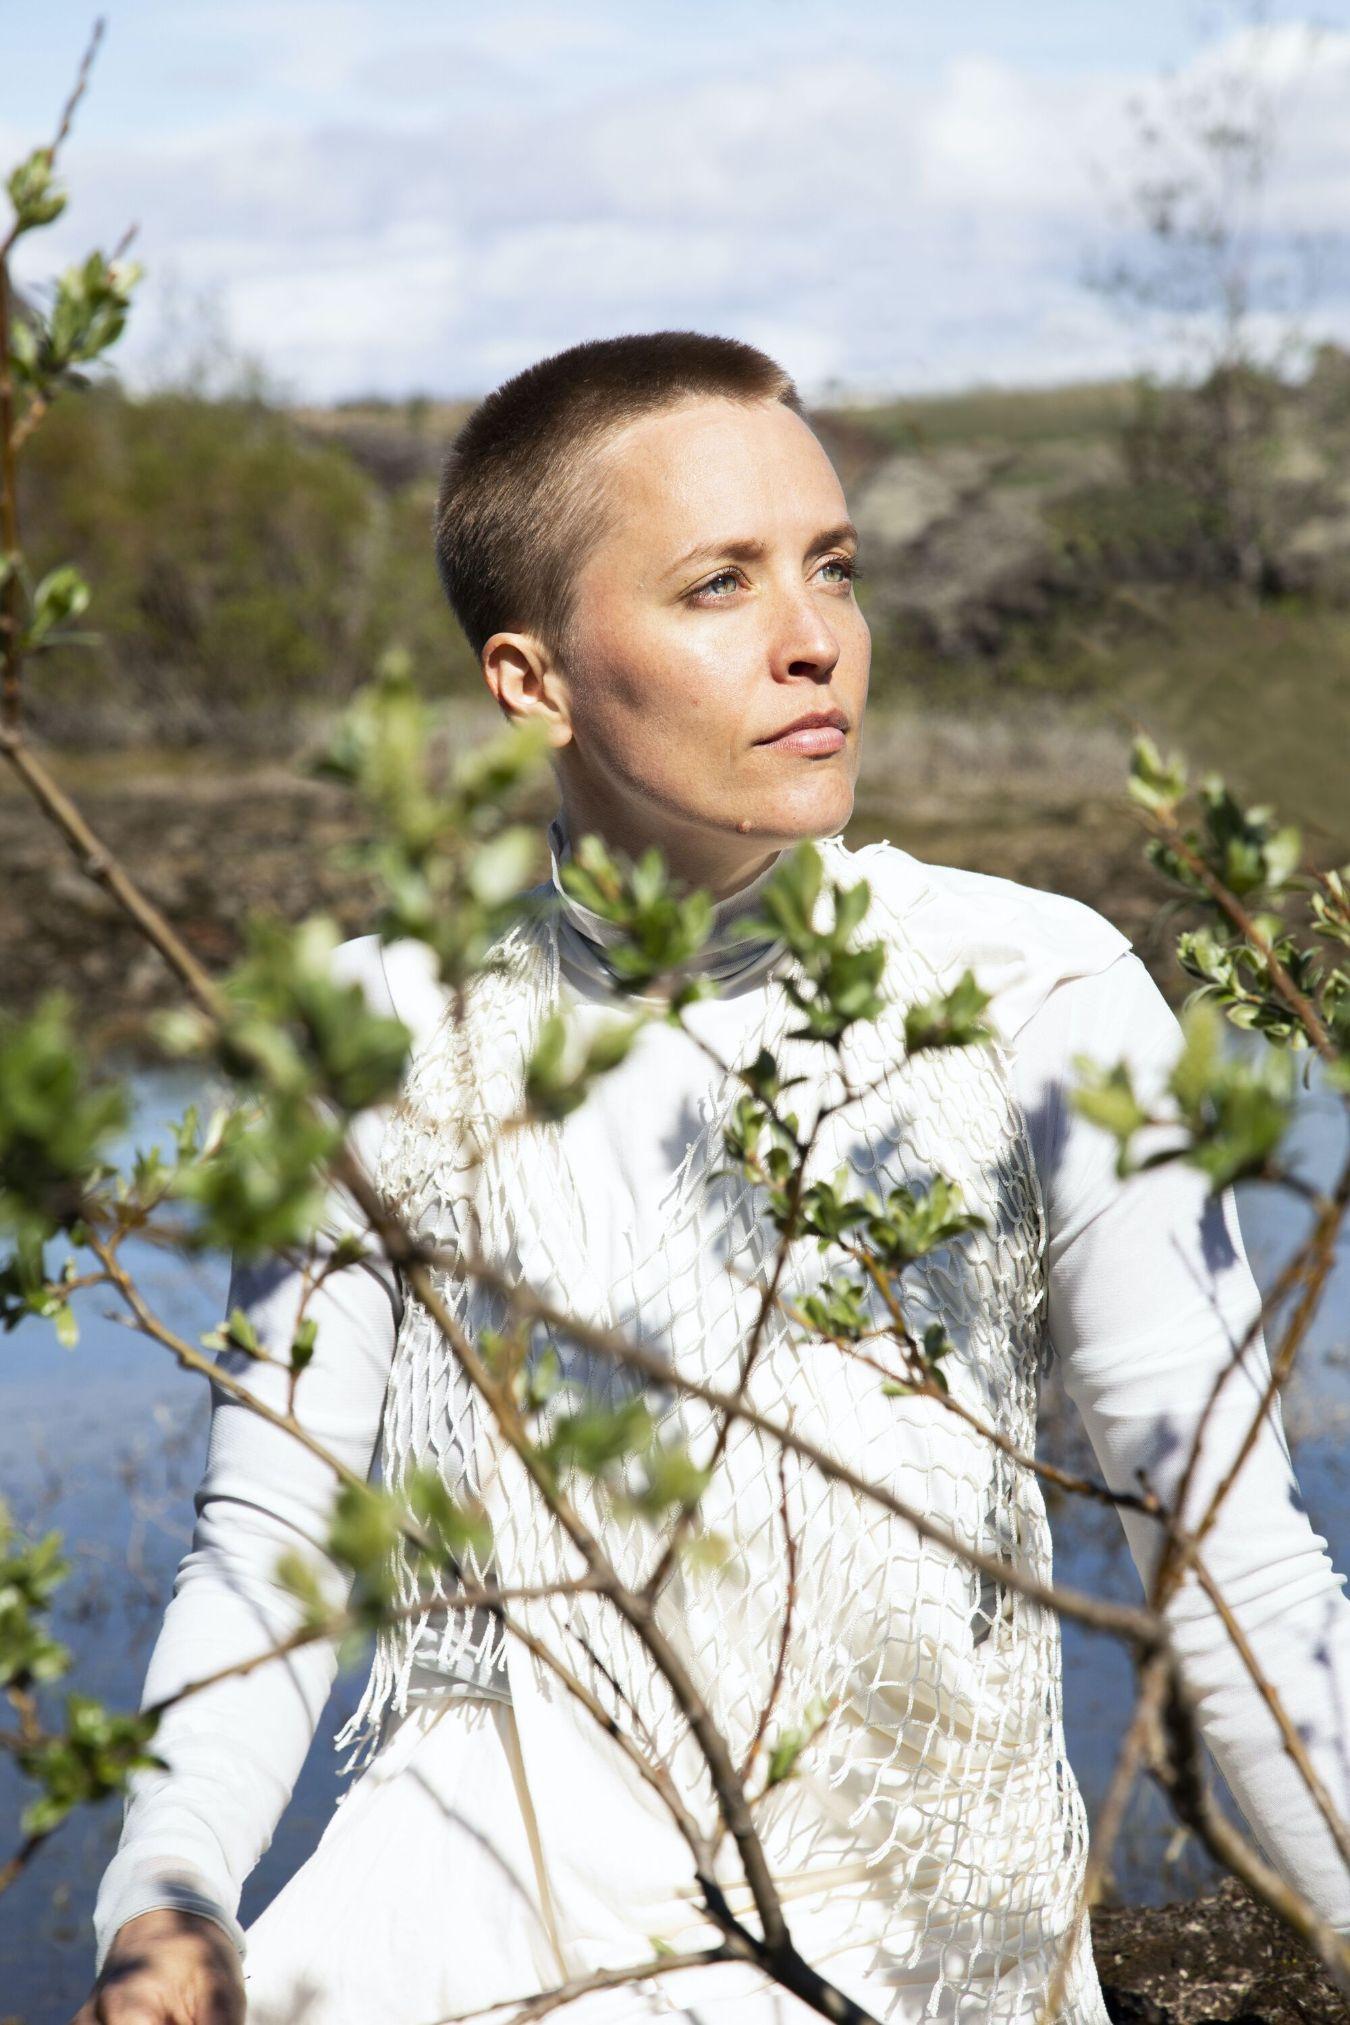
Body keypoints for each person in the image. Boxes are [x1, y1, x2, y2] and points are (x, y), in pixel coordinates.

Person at [77, 334, 1350, 2025]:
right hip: (441, 1947)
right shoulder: (377, 1029)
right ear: (530, 679)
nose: (813, 638)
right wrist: (165, 1904)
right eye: (715, 585)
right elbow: (269, 1553)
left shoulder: (1037, 989)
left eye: (830, 566)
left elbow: (1230, 1559)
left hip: (921, 1970)